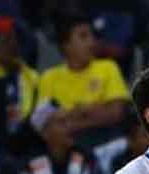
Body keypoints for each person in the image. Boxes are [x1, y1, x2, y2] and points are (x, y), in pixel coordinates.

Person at [37, 12, 130, 140]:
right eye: (83, 37)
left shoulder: (108, 67)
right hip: (64, 144)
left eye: (92, 36)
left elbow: (116, 113)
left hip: (103, 138)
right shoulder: (49, 77)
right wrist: (92, 110)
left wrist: (74, 120)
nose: (91, 42)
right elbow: (44, 122)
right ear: (66, 46)